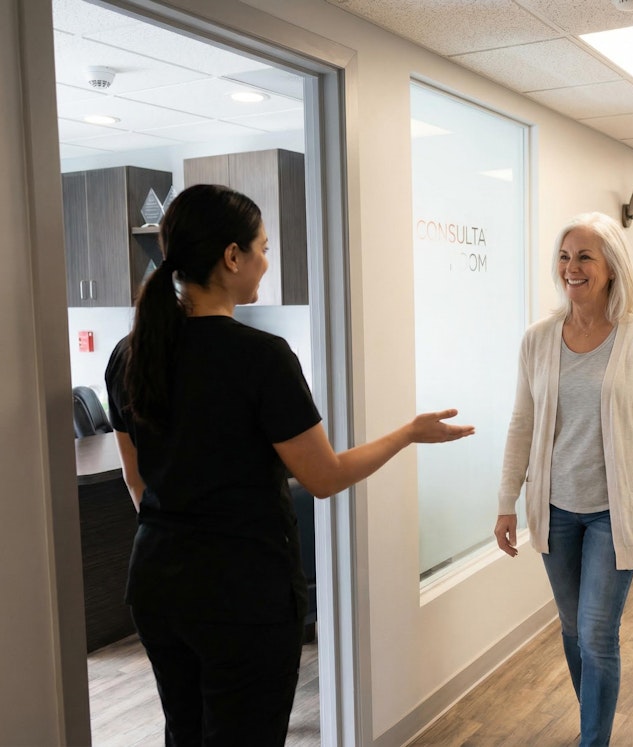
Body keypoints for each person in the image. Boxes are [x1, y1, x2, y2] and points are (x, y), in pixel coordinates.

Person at [105, 183, 474, 746]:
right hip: (243, 593)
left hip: (156, 582)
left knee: (184, 732)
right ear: (232, 257)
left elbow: (136, 479)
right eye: (263, 247)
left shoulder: (130, 353)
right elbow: (323, 478)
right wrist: (407, 434)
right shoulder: (260, 358)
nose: (265, 262)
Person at [493, 211, 633, 746]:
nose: (571, 268)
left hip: (611, 514)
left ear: (612, 267)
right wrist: (507, 501)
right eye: (564, 256)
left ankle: (592, 740)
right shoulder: (539, 339)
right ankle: (591, 721)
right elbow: (521, 424)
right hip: (555, 510)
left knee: (598, 633)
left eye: (584, 257)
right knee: (574, 630)